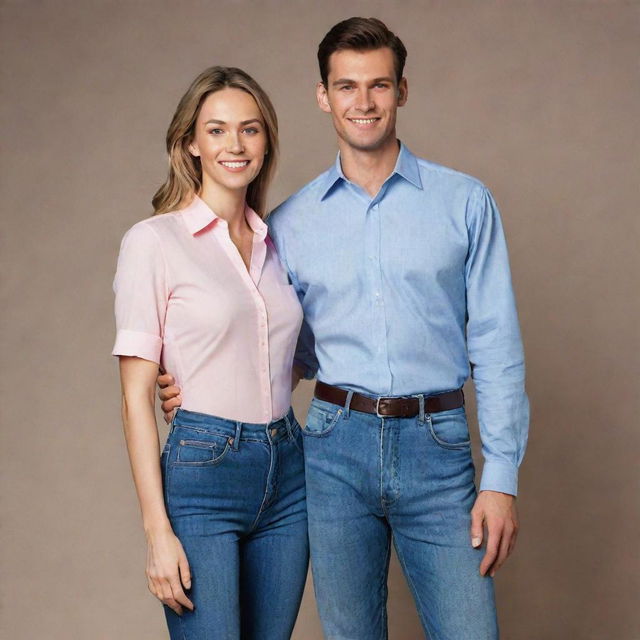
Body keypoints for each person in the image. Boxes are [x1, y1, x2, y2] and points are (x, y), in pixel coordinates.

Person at [160, 17, 530, 640]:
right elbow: (274, 340)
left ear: (402, 91)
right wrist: (191, 384)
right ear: (323, 96)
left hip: (438, 450)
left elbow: (497, 344)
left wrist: (501, 479)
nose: (363, 102)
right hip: (333, 452)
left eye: (379, 85)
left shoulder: (465, 203)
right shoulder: (289, 224)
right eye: (347, 86)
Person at [112, 66, 308, 640]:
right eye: (217, 130)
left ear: (266, 140)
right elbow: (134, 396)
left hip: (288, 471)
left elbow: (290, 352)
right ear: (191, 143)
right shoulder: (153, 242)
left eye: (249, 130)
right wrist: (157, 531)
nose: (234, 144)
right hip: (204, 474)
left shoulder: (279, 246)